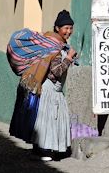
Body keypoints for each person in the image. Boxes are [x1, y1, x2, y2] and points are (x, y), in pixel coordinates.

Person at [9, 10, 77, 161]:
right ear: (57, 28)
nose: (69, 31)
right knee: (48, 120)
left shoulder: (56, 44)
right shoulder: (55, 47)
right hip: (49, 90)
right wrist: (69, 58)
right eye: (66, 28)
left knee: (41, 120)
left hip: (47, 89)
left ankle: (38, 149)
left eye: (71, 28)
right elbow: (55, 72)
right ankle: (46, 152)